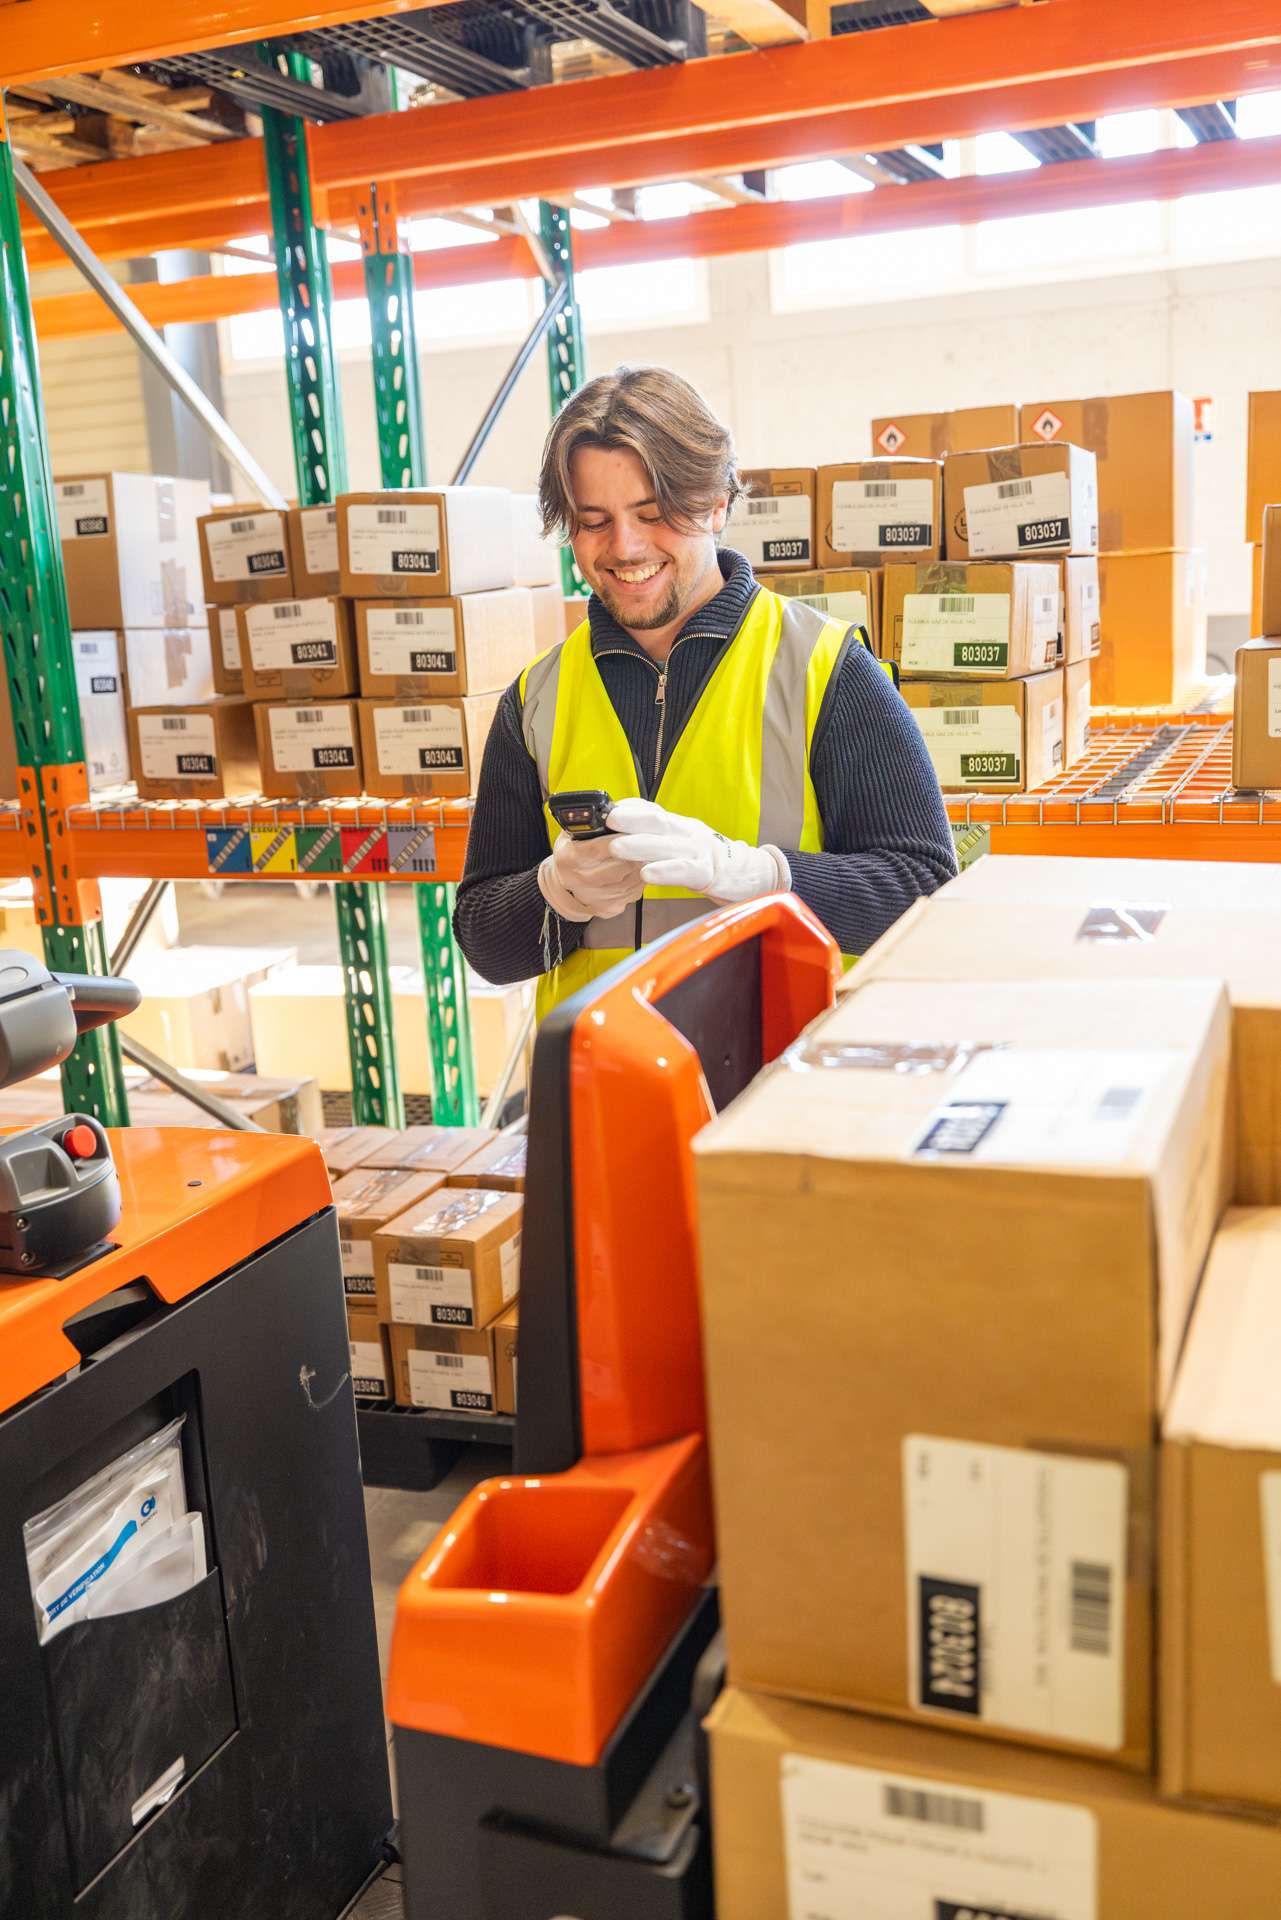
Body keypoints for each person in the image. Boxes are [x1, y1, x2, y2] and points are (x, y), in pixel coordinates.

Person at [454, 365, 957, 1019]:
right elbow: (487, 947)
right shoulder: (535, 699)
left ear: (717, 503)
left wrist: (760, 876)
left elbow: (923, 889)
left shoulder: (825, 670)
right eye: (593, 520)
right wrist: (555, 895)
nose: (624, 546)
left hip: (778, 1088)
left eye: (653, 513)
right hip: (604, 1089)